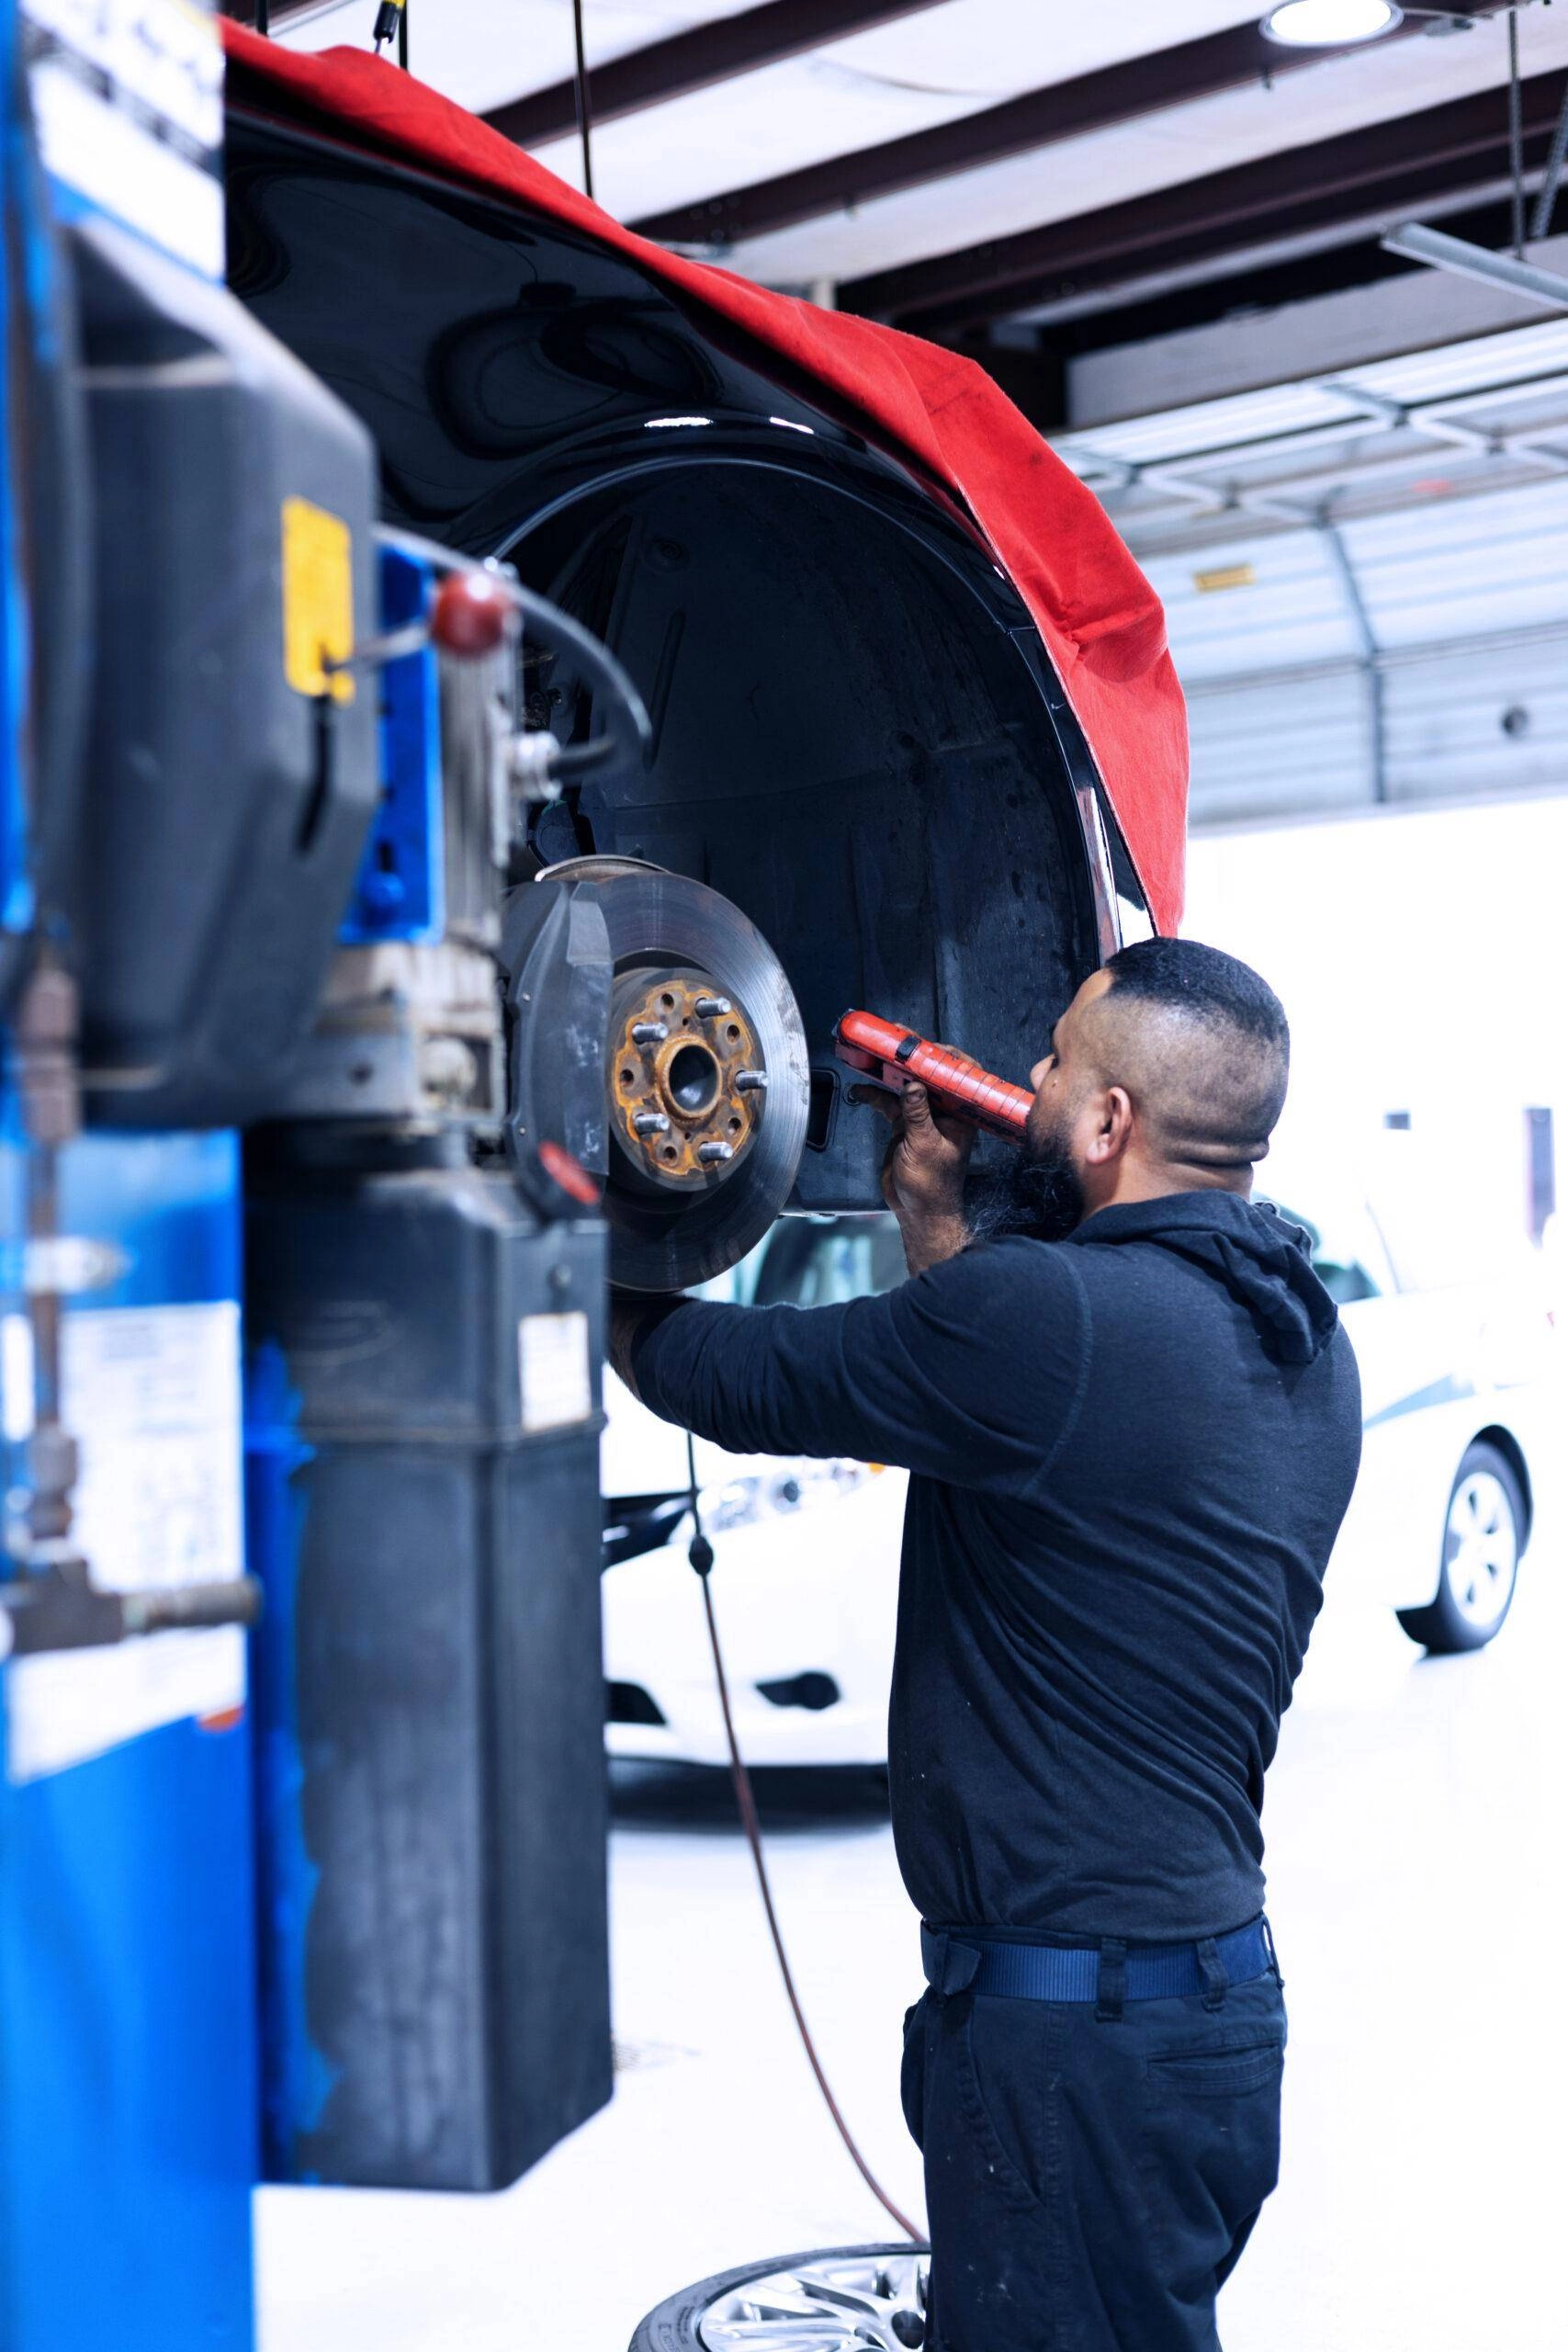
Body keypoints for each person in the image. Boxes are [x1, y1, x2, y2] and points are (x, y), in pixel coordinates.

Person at [609, 937, 1362, 2352]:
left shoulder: (1047, 1323)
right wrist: (935, 1227)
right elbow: (1032, 1431)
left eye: (1057, 1060)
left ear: (1105, 1124)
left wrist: (571, 1201)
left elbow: (707, 1372)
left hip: (1066, 2047)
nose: (1025, 1076)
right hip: (1192, 2018)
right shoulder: (1300, 1339)